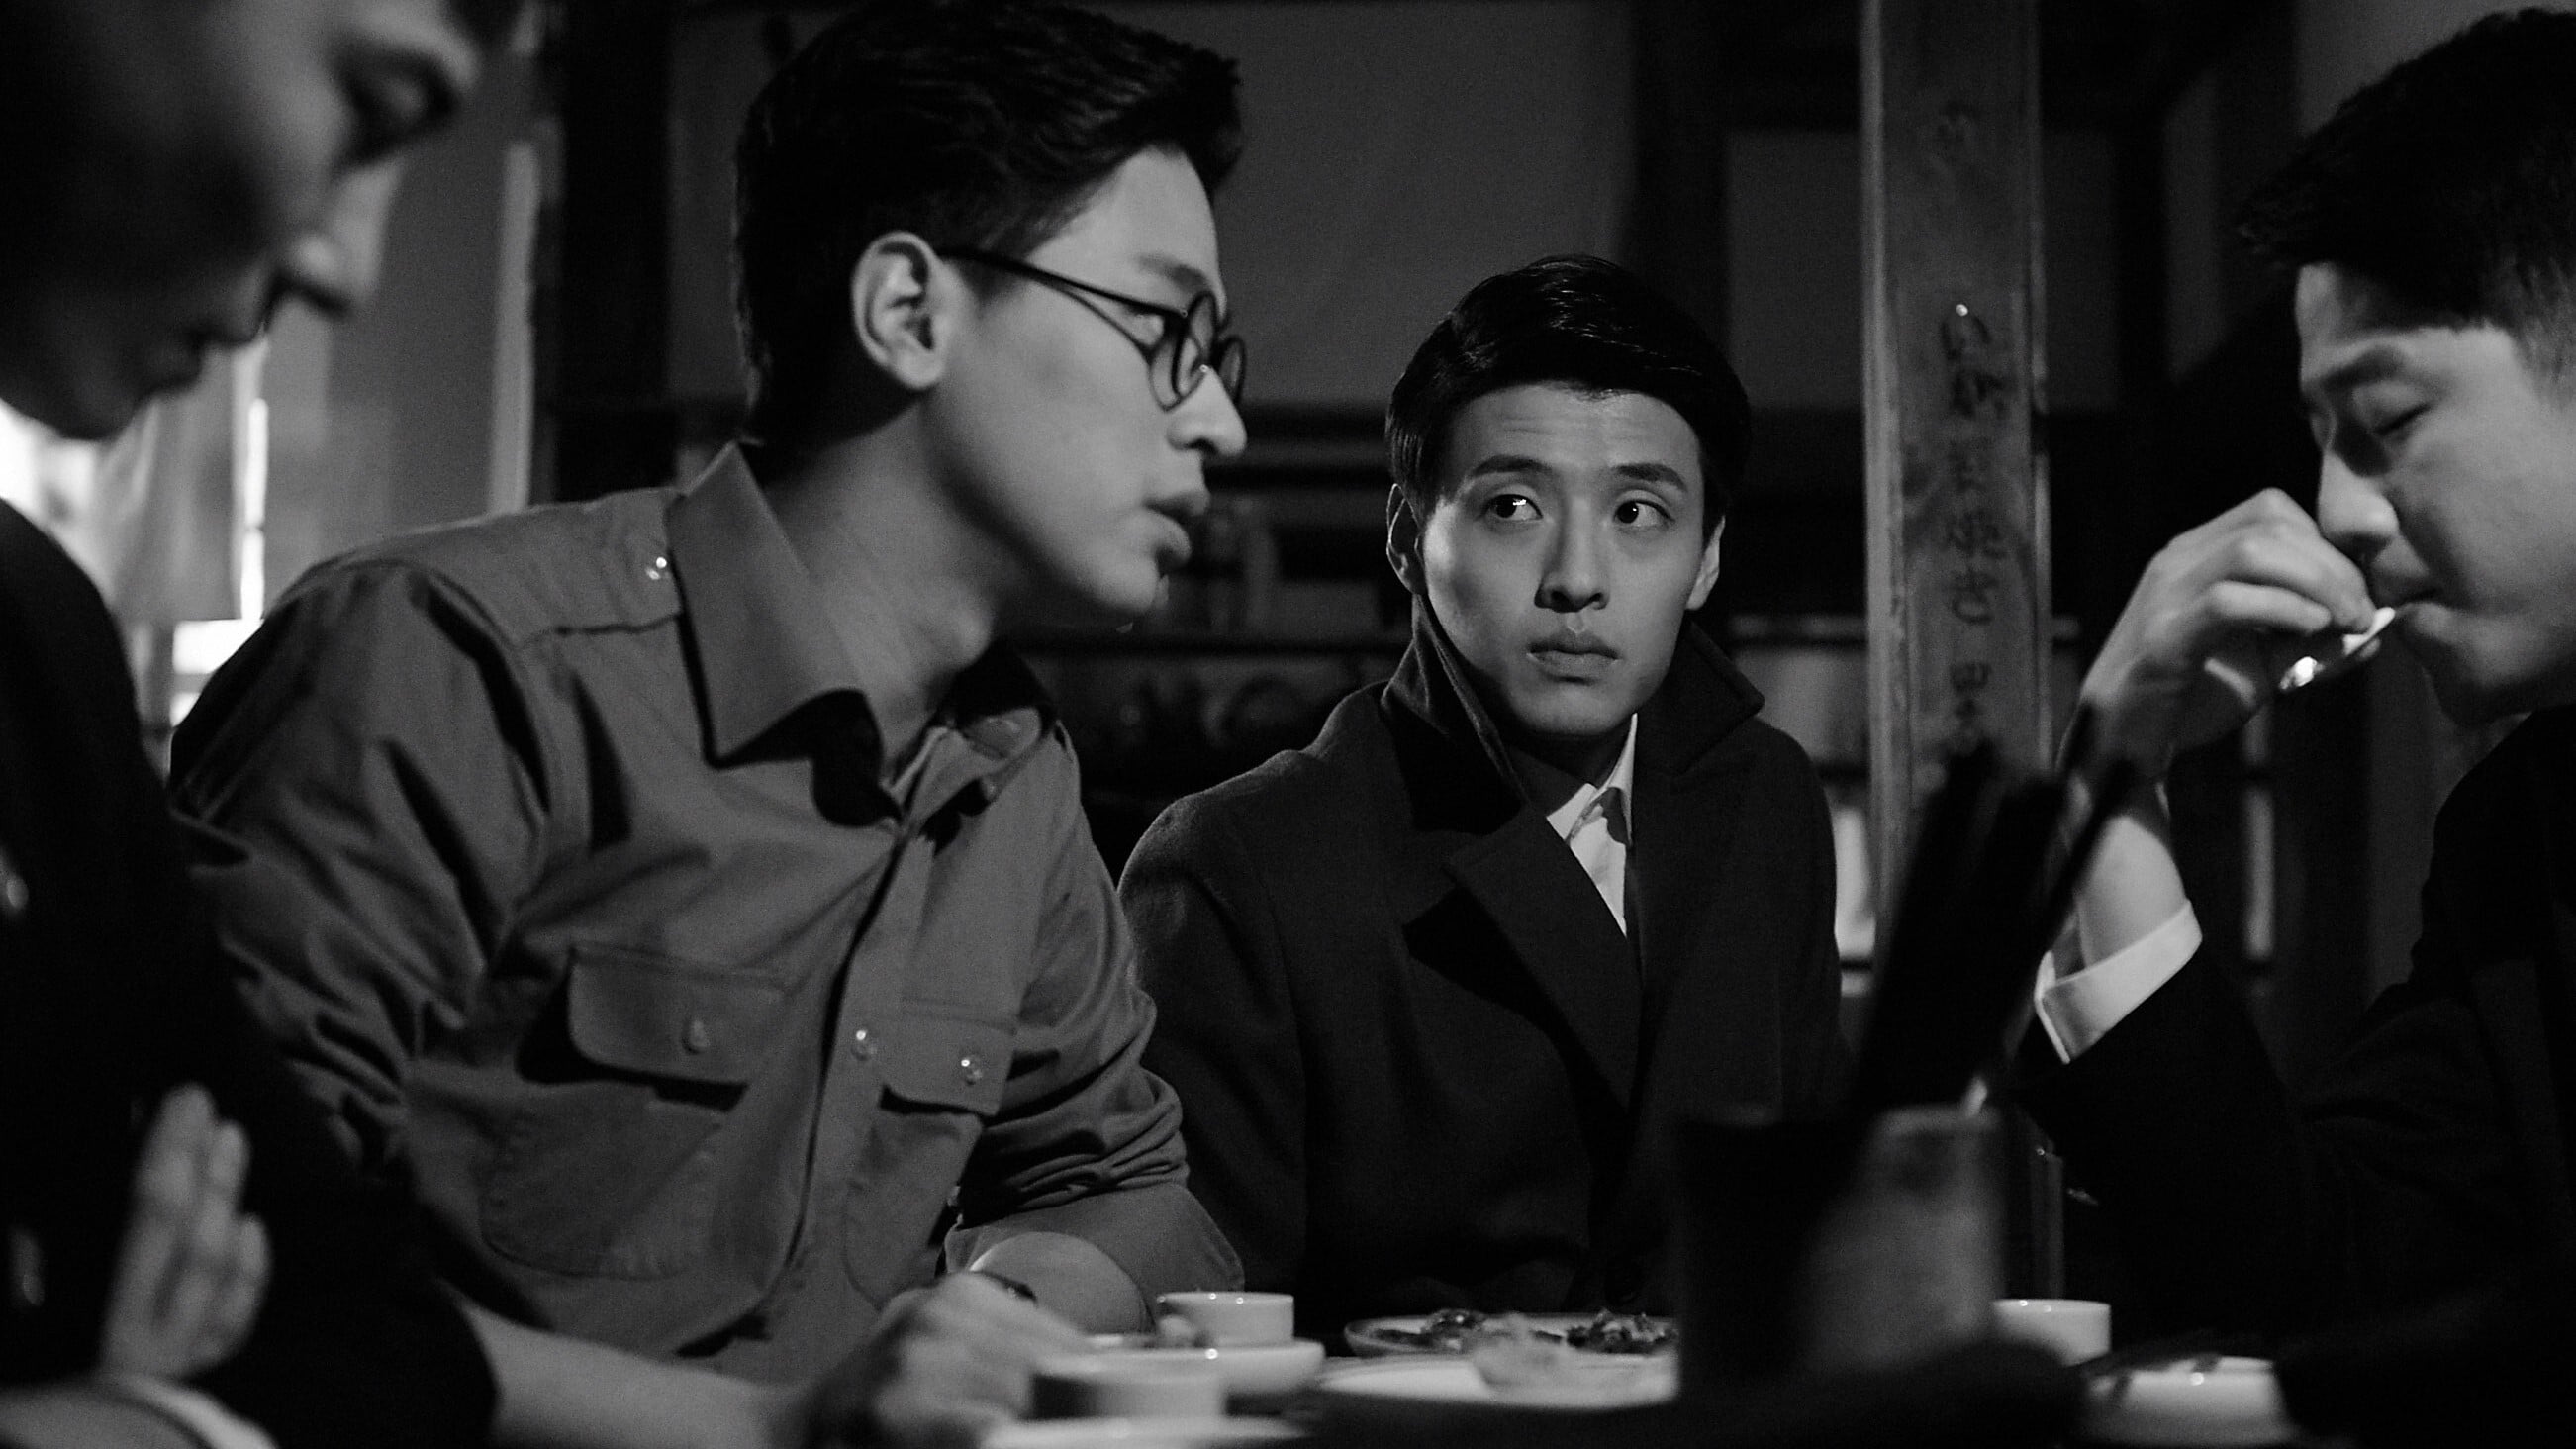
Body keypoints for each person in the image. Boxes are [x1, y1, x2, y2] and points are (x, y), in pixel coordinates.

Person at [167, 2, 1248, 1442]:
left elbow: (1132, 1192)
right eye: (1165, 331)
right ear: (908, 312)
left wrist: (992, 1328)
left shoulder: (1008, 769)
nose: (1219, 422)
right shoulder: (463, 668)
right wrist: (779, 1427)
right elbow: (218, 1255)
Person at [1123, 254, 1849, 1342]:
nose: (1576, 578)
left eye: (1638, 512)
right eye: (1512, 506)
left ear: (1706, 559)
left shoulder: (1763, 800)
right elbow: (1207, 1329)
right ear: (1406, 537)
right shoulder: (1246, 862)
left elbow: (1813, 1219)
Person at [2018, 6, 2576, 1347]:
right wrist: (2110, 791)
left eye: (2384, 419)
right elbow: (2299, 1288)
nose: (2334, 511)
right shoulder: (2522, 840)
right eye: (2320, 437)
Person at [0, 1, 516, 1445]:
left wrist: (135, 1419)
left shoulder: (35, 642)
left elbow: (395, 1346)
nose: (349, 267)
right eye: (374, 106)